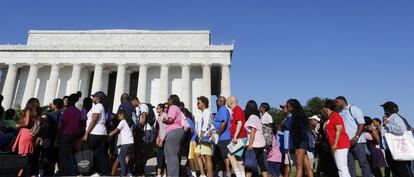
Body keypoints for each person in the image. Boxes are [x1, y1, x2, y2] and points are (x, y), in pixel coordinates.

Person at [335, 96, 373, 177]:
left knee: (363, 162)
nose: (336, 104)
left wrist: (356, 137)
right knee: (349, 163)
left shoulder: (353, 109)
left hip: (357, 141)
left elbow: (361, 123)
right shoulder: (339, 112)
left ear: (342, 101)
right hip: (346, 142)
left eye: (337, 102)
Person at [380, 101, 413, 177]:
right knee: (396, 171)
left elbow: (401, 130)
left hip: (398, 149)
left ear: (388, 110)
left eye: (385, 109)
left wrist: (387, 124)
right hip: (393, 149)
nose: (384, 111)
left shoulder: (395, 117)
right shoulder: (392, 118)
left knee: (402, 171)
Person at [82, 91, 109, 176]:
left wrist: (86, 133)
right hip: (101, 133)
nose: (92, 98)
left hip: (94, 133)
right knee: (99, 153)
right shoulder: (101, 107)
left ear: (98, 98)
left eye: (93, 97)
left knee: (86, 152)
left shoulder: (98, 106)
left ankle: (88, 172)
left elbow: (94, 120)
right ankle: (104, 172)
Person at [12, 98, 41, 177]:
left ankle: (19, 175)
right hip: (30, 135)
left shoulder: (28, 110)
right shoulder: (36, 114)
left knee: (23, 157)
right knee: (26, 157)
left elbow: (26, 123)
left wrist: (17, 125)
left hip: (25, 133)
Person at [323, 99, 351, 177]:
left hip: (340, 143)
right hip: (335, 144)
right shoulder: (330, 117)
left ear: (326, 108)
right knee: (341, 167)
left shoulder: (335, 115)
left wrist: (335, 143)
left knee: (342, 167)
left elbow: (339, 129)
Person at [286, 99, 313, 177]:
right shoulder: (301, 115)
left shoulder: (297, 117)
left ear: (293, 107)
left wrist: (296, 146)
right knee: (307, 166)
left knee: (299, 166)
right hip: (302, 142)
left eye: (288, 107)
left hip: (300, 143)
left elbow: (299, 132)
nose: (287, 108)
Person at [244, 100, 268, 177]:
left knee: (249, 166)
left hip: (254, 144)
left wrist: (250, 144)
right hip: (260, 144)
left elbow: (253, 131)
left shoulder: (252, 117)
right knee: (262, 164)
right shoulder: (257, 117)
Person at [163, 94, 185, 177]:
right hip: (175, 131)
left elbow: (170, 120)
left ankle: (173, 175)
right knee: (168, 153)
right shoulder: (176, 108)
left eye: (169, 99)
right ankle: (171, 174)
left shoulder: (173, 107)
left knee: (172, 154)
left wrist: (165, 121)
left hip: (174, 131)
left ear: (172, 100)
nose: (167, 101)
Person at [59, 94, 81, 176]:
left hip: (65, 134)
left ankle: (63, 172)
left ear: (70, 100)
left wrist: (58, 136)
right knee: (70, 154)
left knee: (63, 155)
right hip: (74, 135)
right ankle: (72, 172)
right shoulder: (78, 111)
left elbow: (63, 123)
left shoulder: (67, 111)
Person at [109, 108, 134, 176]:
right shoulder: (130, 122)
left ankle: (123, 174)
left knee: (121, 157)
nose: (118, 118)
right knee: (125, 157)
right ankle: (127, 172)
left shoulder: (123, 122)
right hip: (131, 142)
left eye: (118, 116)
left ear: (122, 115)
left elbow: (116, 130)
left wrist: (109, 135)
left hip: (126, 142)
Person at [226, 96, 247, 177]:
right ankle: (242, 175)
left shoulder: (237, 109)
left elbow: (240, 123)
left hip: (239, 137)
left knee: (230, 154)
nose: (226, 103)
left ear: (231, 102)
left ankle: (238, 174)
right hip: (240, 136)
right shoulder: (235, 110)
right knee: (238, 157)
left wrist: (235, 137)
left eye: (227, 101)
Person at [194, 96, 214, 177]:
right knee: (196, 154)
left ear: (204, 104)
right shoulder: (203, 113)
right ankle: (202, 174)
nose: (197, 104)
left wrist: (201, 136)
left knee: (207, 157)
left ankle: (210, 175)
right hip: (201, 137)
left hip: (205, 137)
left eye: (199, 102)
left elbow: (205, 125)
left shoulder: (207, 112)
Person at [130, 96, 150, 177]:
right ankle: (138, 170)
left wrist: (140, 127)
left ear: (135, 100)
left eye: (132, 102)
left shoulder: (143, 106)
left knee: (142, 151)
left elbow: (144, 116)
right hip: (141, 130)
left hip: (144, 130)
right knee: (138, 151)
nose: (131, 104)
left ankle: (141, 170)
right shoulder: (139, 107)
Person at [213, 96, 232, 177]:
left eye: (217, 101)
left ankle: (228, 174)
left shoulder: (223, 109)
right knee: (219, 157)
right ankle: (221, 174)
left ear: (220, 101)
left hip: (224, 137)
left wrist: (218, 133)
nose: (216, 102)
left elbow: (223, 123)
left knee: (226, 157)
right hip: (220, 138)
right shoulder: (220, 110)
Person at [155, 103, 167, 177]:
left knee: (164, 156)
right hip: (160, 137)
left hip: (165, 138)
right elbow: (159, 129)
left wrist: (162, 139)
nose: (157, 109)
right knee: (159, 155)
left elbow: (166, 129)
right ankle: (159, 173)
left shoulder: (165, 116)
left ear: (162, 108)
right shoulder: (158, 117)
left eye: (158, 108)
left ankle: (164, 173)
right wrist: (157, 137)